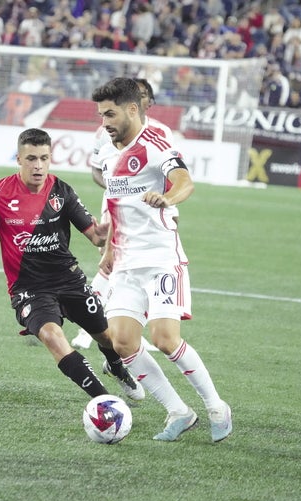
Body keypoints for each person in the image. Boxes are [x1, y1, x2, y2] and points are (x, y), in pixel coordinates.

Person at [0, 128, 144, 404]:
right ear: (19, 158)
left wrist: (111, 225)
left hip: (69, 280)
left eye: (44, 158)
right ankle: (105, 401)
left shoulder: (62, 191)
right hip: (29, 288)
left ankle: (115, 366)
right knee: (53, 337)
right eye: (31, 158)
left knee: (106, 337)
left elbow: (95, 236)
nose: (38, 166)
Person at [91, 77, 232, 443]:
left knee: (165, 339)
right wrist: (108, 252)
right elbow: (115, 205)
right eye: (101, 115)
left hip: (160, 260)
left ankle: (216, 405)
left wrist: (169, 198)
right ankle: (178, 411)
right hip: (124, 262)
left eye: (110, 114)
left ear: (133, 109)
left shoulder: (155, 144)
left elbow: (184, 180)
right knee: (122, 343)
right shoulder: (108, 154)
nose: (104, 122)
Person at [71, 78, 171, 352]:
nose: (139, 99)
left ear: (147, 102)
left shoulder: (163, 133)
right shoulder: (106, 130)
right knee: (111, 263)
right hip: (118, 207)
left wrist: (168, 206)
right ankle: (86, 328)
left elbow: (169, 177)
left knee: (143, 267)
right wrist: (124, 188)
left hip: (151, 213)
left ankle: (131, 330)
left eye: (144, 95)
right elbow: (96, 171)